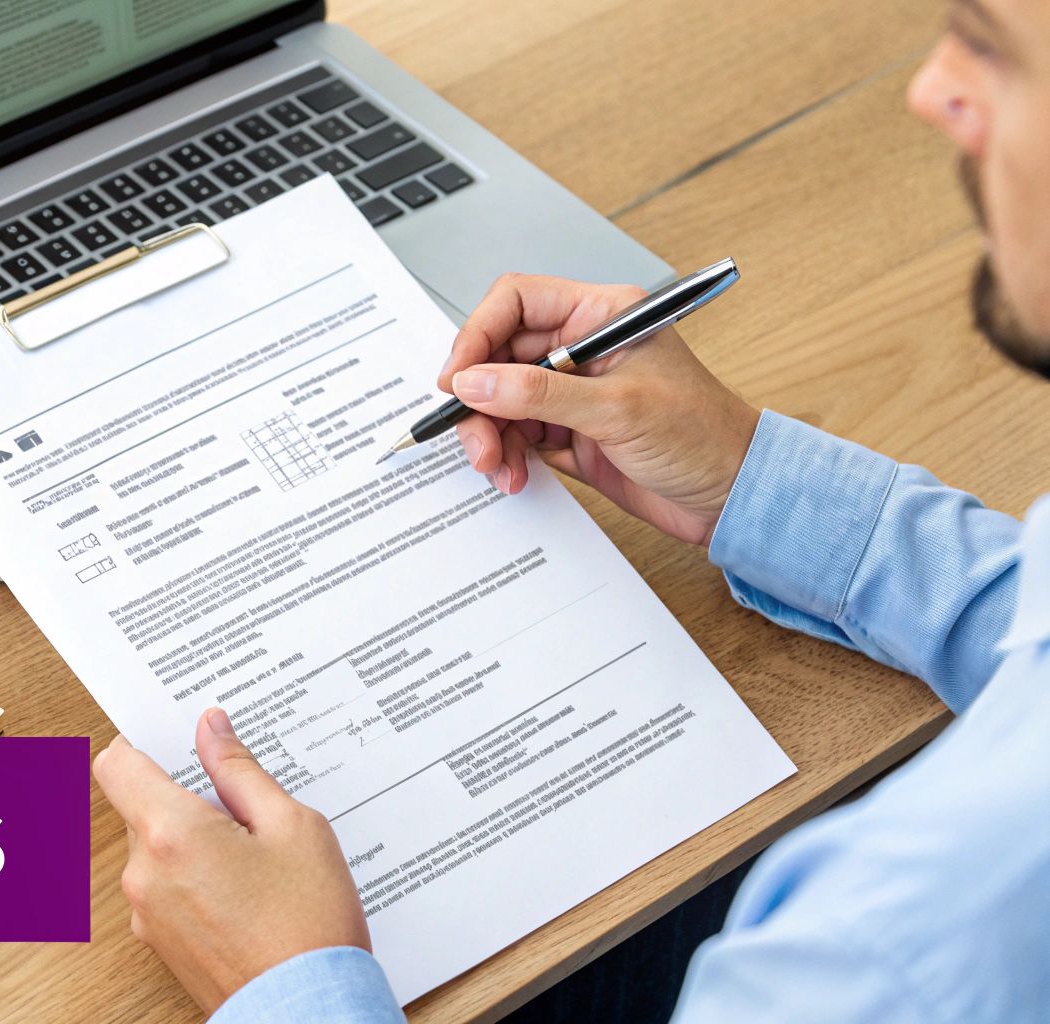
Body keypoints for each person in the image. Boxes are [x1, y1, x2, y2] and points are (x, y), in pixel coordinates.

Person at [92, 0, 1050, 1019]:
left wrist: (282, 988)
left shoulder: (883, 950)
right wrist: (746, 478)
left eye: (991, 45)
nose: (929, 85)